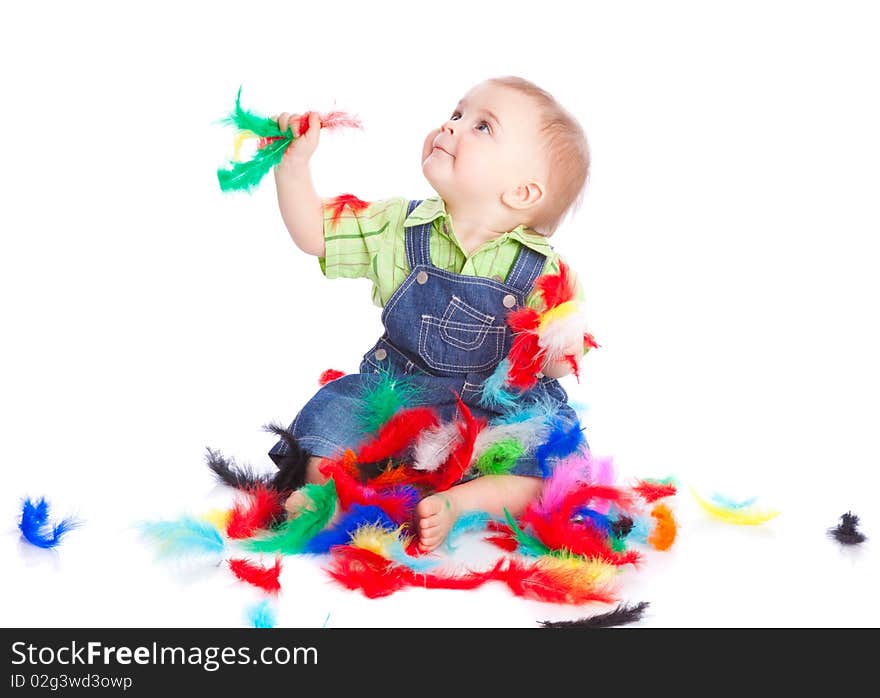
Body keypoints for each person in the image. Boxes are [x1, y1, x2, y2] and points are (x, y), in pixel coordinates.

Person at [268, 75, 591, 552]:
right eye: (457, 114)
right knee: (334, 414)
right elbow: (316, 233)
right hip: (399, 399)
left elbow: (561, 359)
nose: (451, 126)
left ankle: (464, 502)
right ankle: (326, 496)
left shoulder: (545, 270)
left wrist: (560, 350)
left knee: (554, 465)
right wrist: (292, 168)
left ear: (523, 193)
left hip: (493, 418)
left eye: (482, 126)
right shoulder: (399, 227)